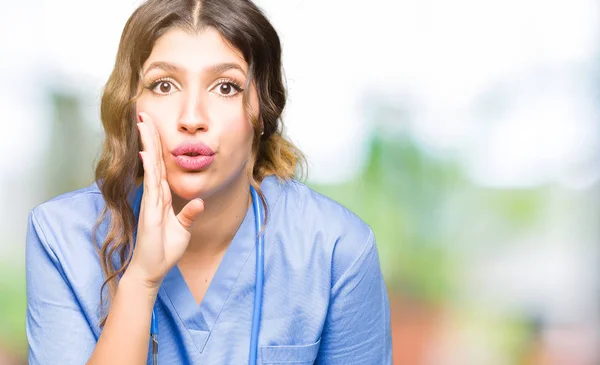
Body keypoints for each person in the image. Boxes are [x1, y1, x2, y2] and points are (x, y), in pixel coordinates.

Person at [25, 0, 392, 364]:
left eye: (226, 87)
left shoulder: (336, 250)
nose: (192, 118)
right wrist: (141, 280)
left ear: (262, 109)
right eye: (164, 85)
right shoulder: (61, 236)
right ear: (131, 105)